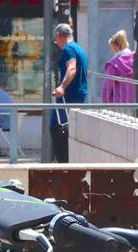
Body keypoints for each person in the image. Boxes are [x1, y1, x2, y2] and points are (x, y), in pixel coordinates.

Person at [51, 23, 88, 163]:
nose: (57, 43)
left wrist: (62, 87)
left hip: (68, 97)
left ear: (60, 36)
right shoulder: (80, 49)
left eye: (56, 40)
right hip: (79, 96)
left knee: (57, 128)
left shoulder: (69, 49)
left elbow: (72, 68)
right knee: (70, 131)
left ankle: (63, 164)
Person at [102, 30, 134, 104]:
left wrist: (104, 104)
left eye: (111, 47)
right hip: (136, 103)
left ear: (116, 47)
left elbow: (107, 86)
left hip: (118, 103)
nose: (111, 50)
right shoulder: (136, 59)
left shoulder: (113, 63)